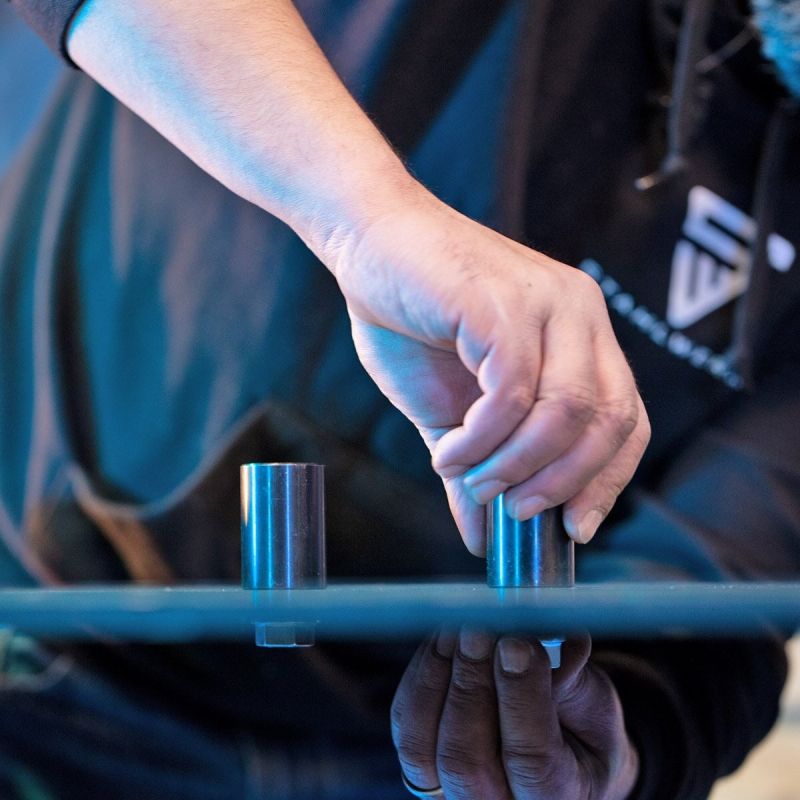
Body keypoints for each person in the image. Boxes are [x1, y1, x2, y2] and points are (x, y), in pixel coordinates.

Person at [0, 0, 798, 798]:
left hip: (418, 756)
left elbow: (727, 578)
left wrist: (616, 747)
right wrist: (366, 216)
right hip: (47, 641)